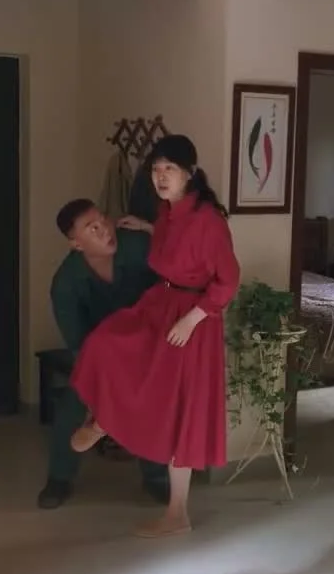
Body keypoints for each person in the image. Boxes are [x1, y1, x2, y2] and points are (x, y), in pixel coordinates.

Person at [69, 134, 240, 538]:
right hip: (162, 304)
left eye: (170, 169)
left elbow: (228, 281)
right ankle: (103, 418)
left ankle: (177, 513)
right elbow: (178, 244)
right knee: (106, 344)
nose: (160, 177)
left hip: (192, 319)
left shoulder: (209, 221)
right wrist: (149, 227)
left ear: (189, 173)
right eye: (156, 169)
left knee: (180, 411)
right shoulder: (167, 212)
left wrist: (192, 319)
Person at [41, 198, 169, 509]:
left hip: (148, 342)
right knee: (75, 401)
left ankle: (156, 477)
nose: (105, 230)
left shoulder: (136, 245)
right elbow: (78, 343)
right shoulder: (65, 283)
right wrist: (104, 381)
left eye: (103, 220)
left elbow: (177, 267)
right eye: (92, 228)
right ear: (76, 244)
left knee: (152, 398)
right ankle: (60, 478)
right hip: (99, 355)